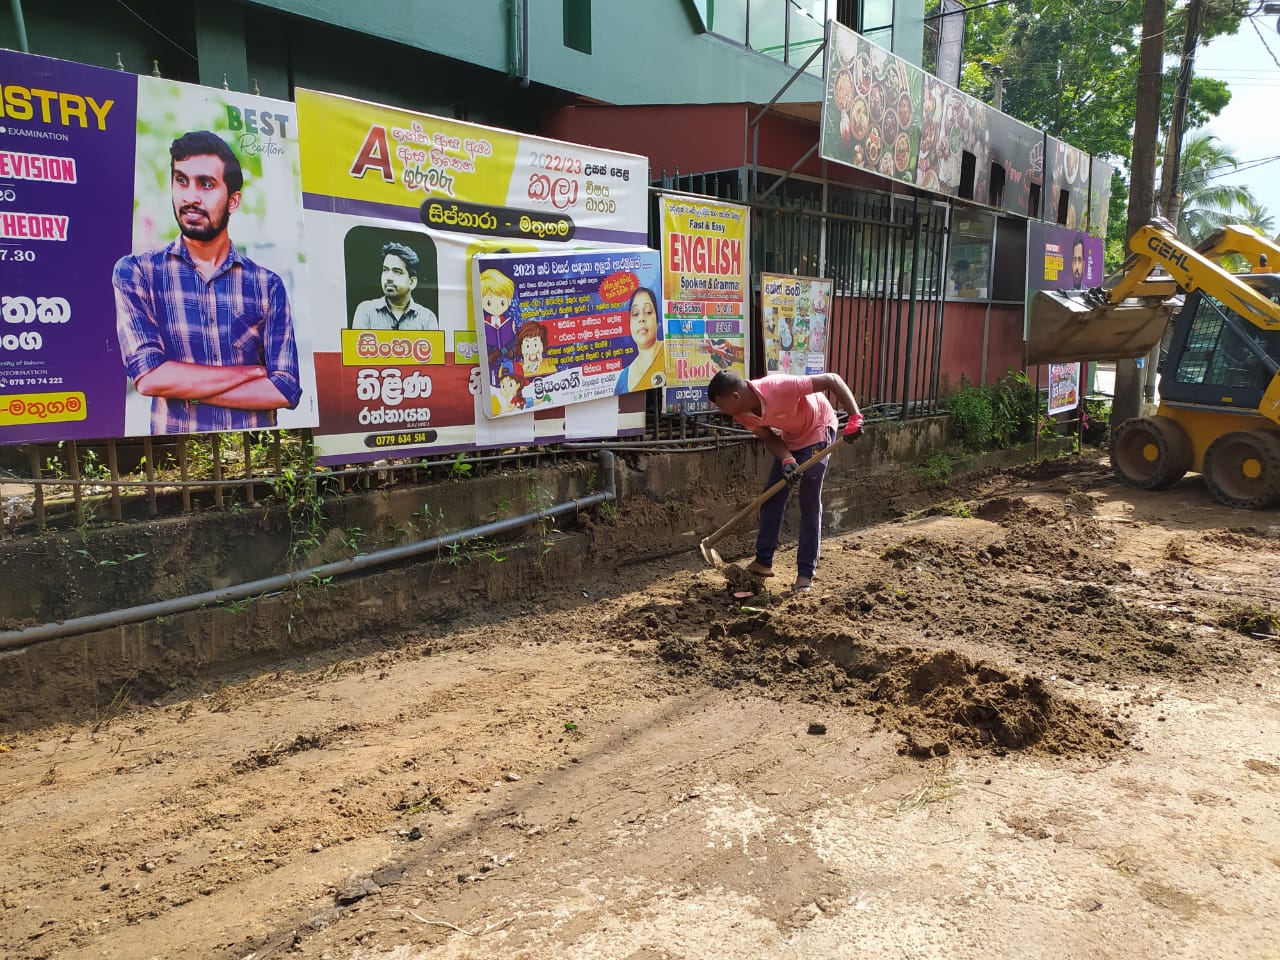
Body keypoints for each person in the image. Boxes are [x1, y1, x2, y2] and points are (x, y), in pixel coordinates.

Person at [114, 131, 301, 434]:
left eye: (207, 184)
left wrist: (183, 384)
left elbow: (284, 388)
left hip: (256, 461)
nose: (190, 197)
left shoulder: (267, 286)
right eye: (181, 180)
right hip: (177, 466)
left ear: (233, 200)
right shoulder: (138, 273)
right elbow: (148, 376)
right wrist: (249, 373)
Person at [707, 370, 863, 593]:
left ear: (735, 397)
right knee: (771, 497)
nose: (722, 412)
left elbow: (832, 380)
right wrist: (787, 460)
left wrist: (855, 418)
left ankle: (805, 574)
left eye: (722, 405)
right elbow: (770, 437)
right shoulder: (742, 413)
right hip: (793, 438)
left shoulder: (779, 386)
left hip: (818, 427)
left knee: (809, 501)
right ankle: (763, 562)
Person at [351, 241, 439, 330]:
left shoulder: (427, 318)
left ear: (412, 282)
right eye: (385, 270)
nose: (388, 277)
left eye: (397, 272)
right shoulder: (366, 311)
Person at [614, 287, 665, 394]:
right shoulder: (623, 379)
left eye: (648, 311)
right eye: (635, 314)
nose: (641, 318)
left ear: (658, 321)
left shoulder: (673, 355)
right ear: (630, 325)